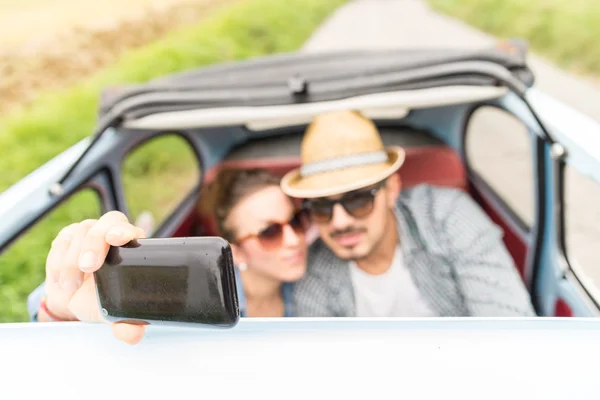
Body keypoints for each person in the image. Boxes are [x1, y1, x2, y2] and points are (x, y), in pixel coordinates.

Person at [280, 109, 536, 317]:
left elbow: (509, 328)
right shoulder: (314, 270)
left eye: (358, 200)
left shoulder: (446, 217)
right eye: (321, 207)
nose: (340, 222)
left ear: (391, 189)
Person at [28, 167, 310, 343]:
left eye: (296, 221)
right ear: (234, 251)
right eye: (269, 233)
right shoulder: (197, 294)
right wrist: (59, 305)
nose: (294, 239)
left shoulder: (316, 280)